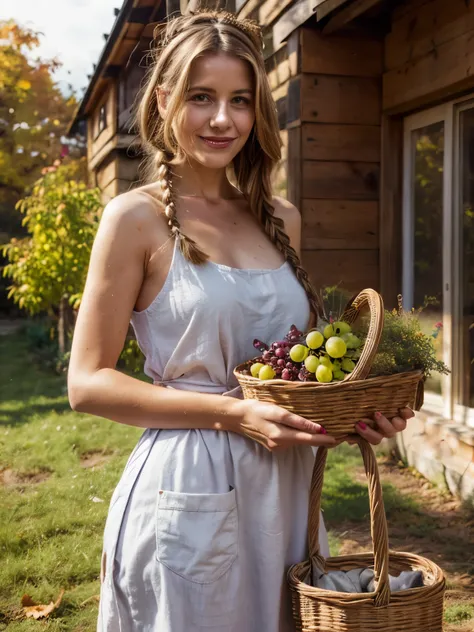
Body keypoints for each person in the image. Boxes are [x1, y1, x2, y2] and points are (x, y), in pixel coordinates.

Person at [67, 10, 413, 632]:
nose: (223, 119)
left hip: (286, 489)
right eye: (202, 98)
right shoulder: (133, 219)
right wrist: (234, 413)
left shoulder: (281, 217)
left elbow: (297, 368)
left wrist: (358, 414)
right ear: (167, 99)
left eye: (240, 100)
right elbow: (87, 382)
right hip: (191, 483)